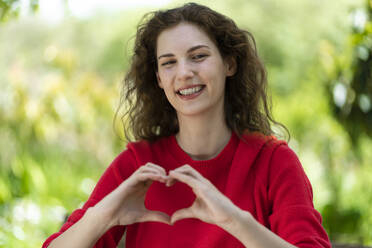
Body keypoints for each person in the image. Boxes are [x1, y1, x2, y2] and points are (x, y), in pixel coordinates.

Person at [43, 3, 331, 248]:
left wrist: (235, 220)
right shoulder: (137, 165)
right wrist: (103, 215)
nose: (184, 72)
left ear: (229, 64)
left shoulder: (273, 161)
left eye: (199, 56)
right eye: (169, 63)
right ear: (158, 78)